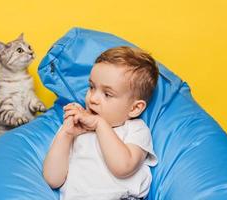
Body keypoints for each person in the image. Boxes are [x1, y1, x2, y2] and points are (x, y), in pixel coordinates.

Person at [43, 46, 159, 200]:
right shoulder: (75, 129)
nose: (92, 99)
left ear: (135, 108)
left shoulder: (135, 129)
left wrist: (100, 125)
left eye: (107, 94)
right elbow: (53, 179)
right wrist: (66, 134)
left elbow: (123, 167)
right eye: (91, 87)